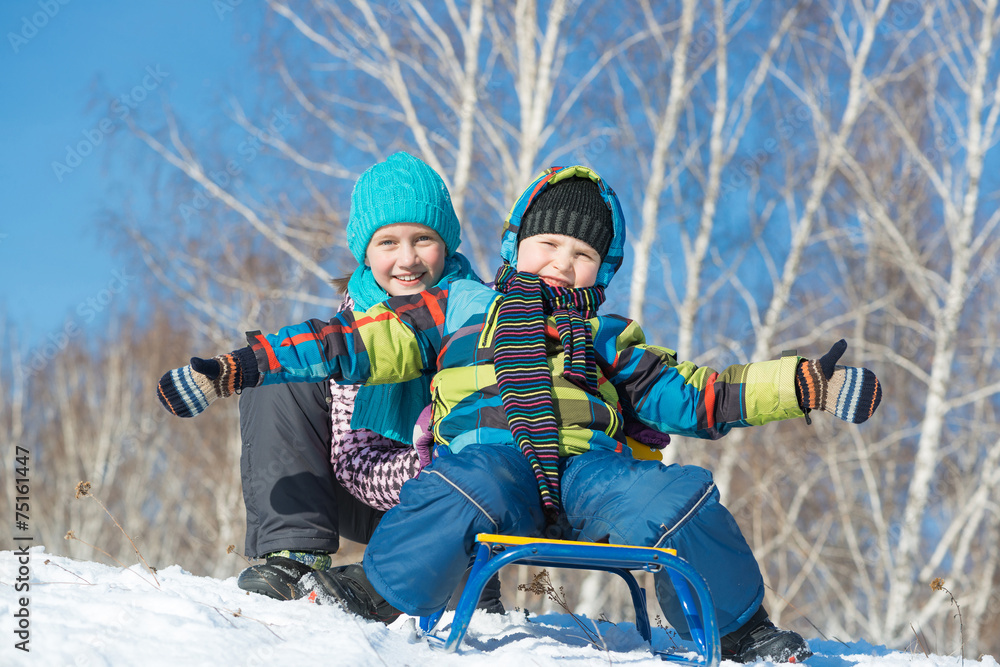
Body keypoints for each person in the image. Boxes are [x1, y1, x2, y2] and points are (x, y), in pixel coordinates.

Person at [157, 165, 882, 663]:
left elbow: (702, 395)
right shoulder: (458, 307)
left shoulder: (608, 336)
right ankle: (373, 591)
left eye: (581, 253)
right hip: (491, 466)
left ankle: (742, 627)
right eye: (548, 244)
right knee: (462, 483)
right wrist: (237, 366)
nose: (561, 263)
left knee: (677, 494)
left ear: (604, 267)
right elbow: (353, 343)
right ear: (513, 245)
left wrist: (804, 385)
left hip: (589, 475)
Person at [232, 151, 493, 605]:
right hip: (372, 483)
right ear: (365, 252)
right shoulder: (353, 325)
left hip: (464, 500)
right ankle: (293, 553)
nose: (407, 258)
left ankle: (460, 574)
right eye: (388, 242)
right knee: (287, 368)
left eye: (423, 239)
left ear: (446, 244)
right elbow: (355, 461)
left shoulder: (479, 313)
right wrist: (425, 468)